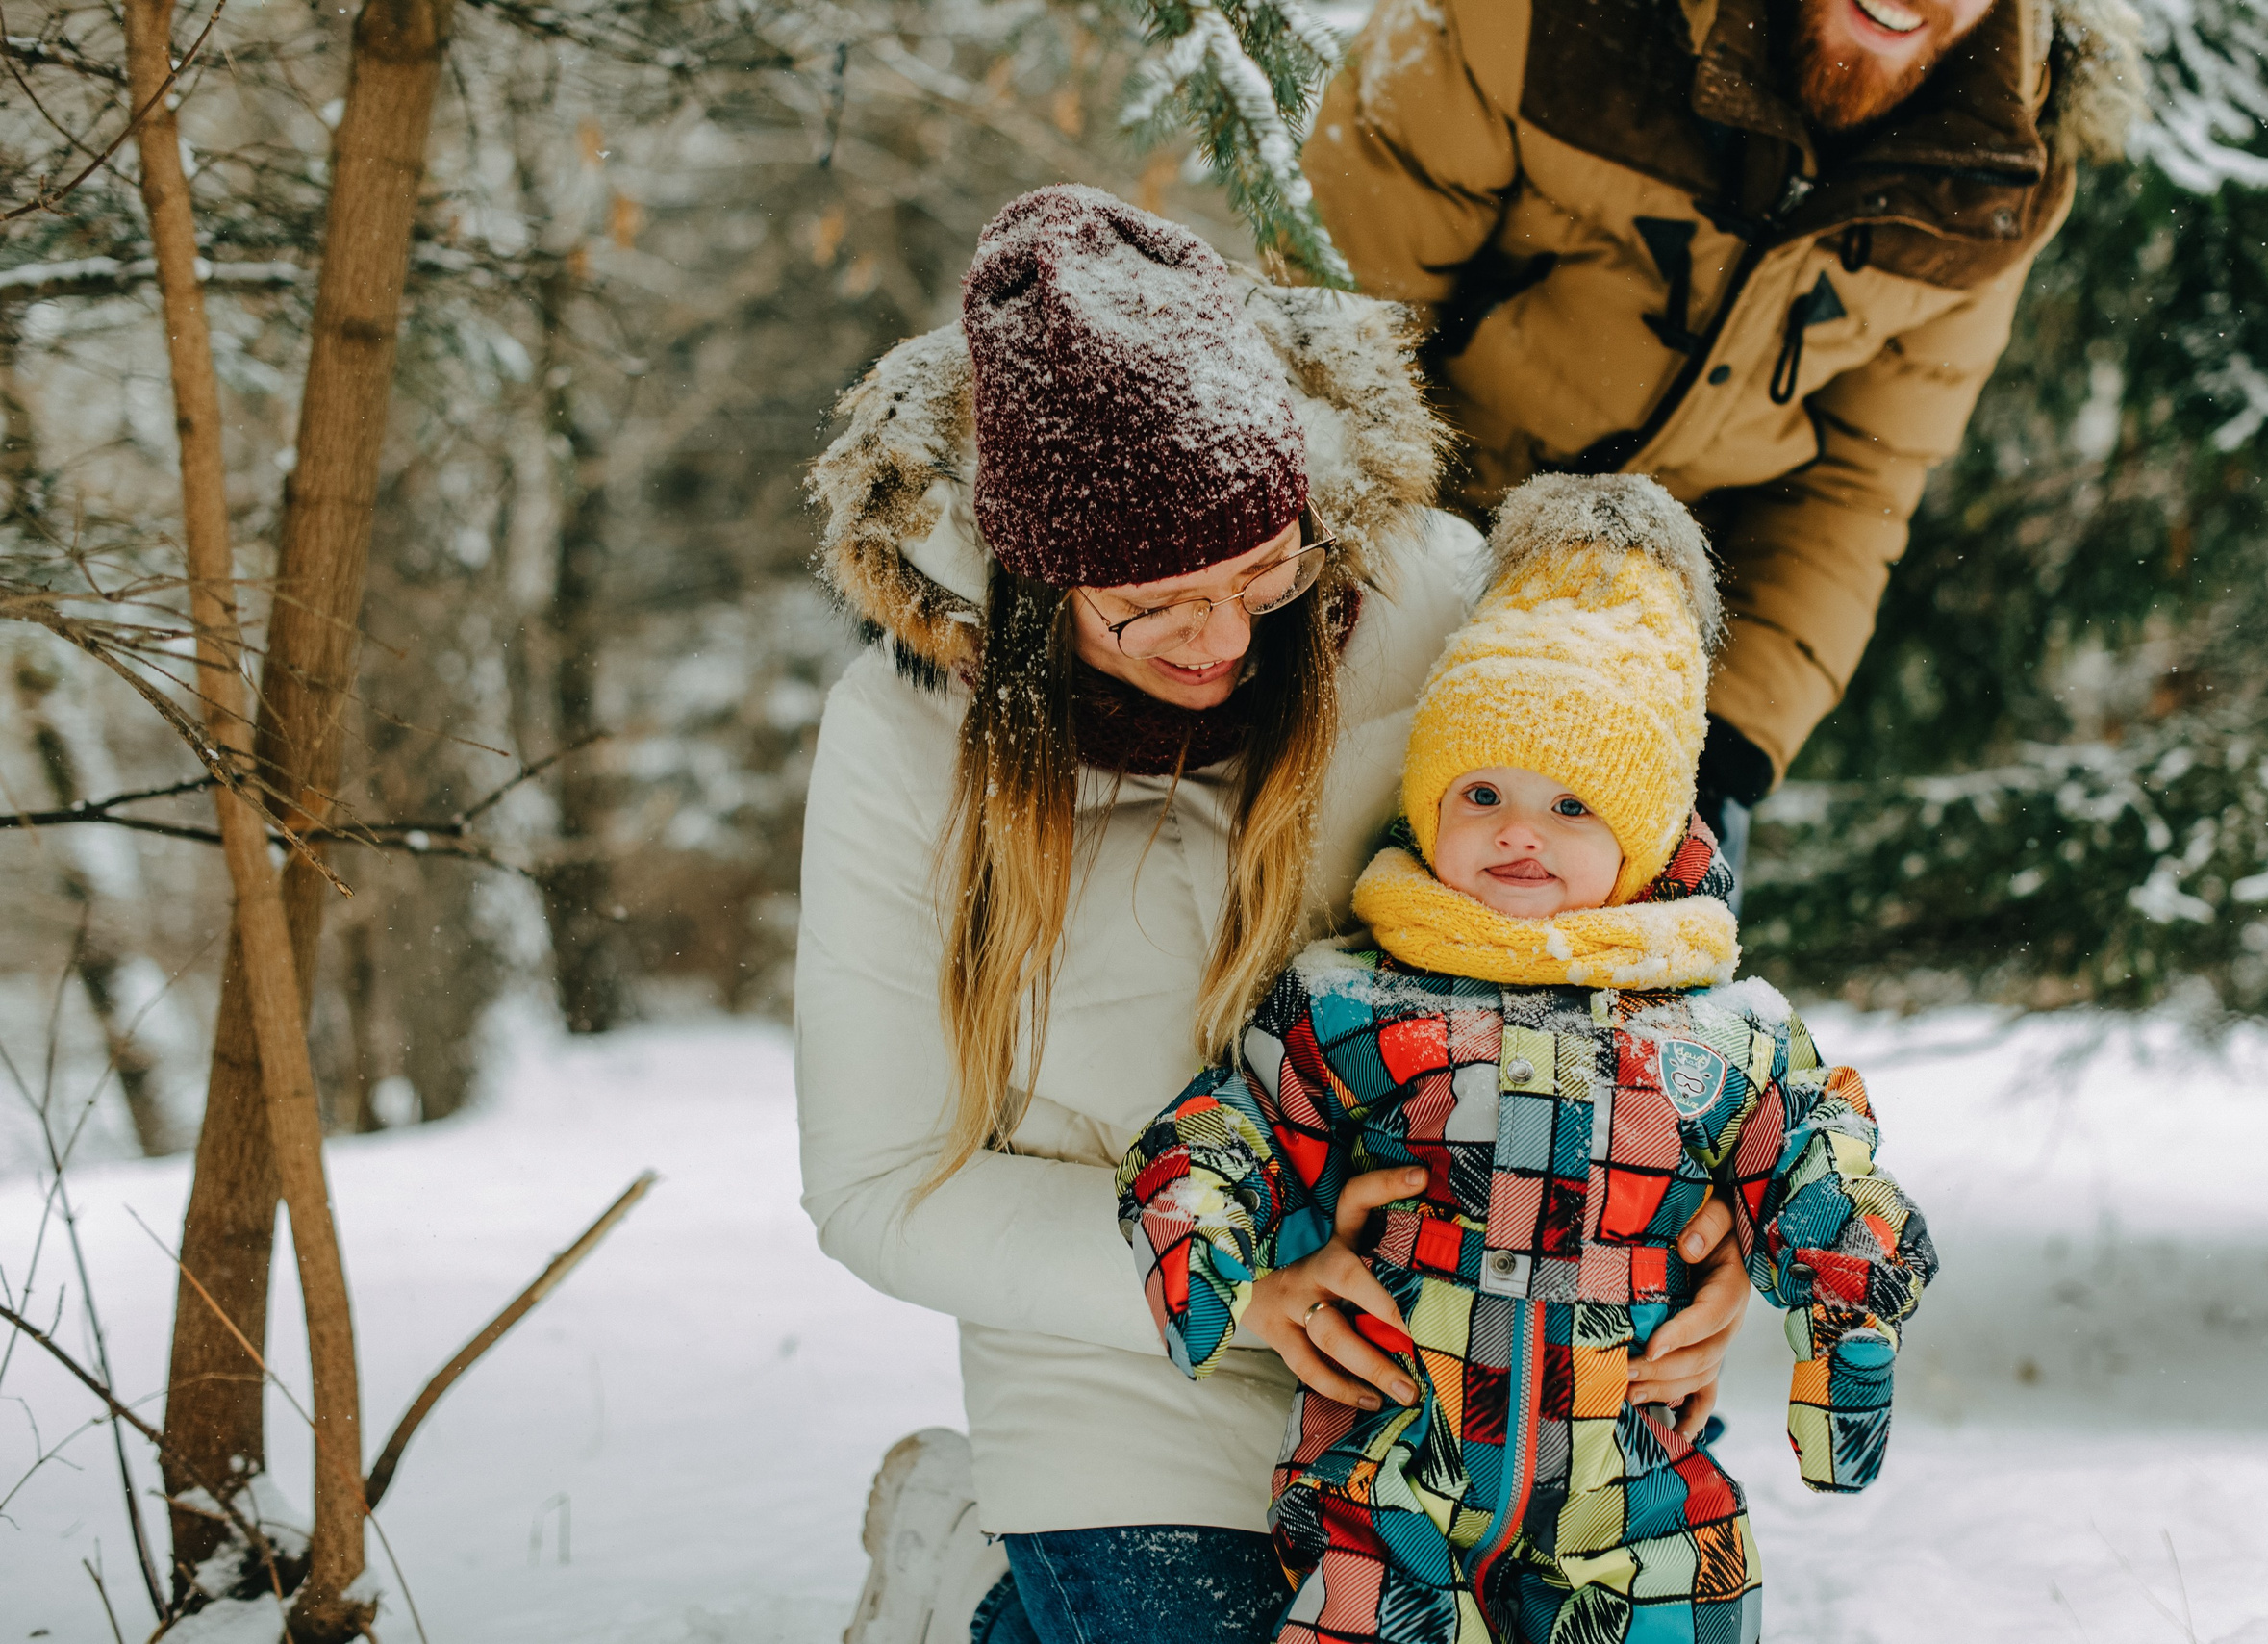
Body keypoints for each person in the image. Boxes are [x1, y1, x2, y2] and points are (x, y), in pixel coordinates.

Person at [796, 188, 1754, 1644]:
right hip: (1133, 1339)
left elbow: (1637, 905)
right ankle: (977, 1583)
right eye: (1155, 605)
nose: (1226, 639)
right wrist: (1239, 1290)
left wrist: (1720, 1215)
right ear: (1041, 583)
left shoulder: (1422, 595)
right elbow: (881, 1188)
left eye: (1262, 574)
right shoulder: (906, 734)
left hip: (1473, 1312)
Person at [1116, 472, 1937, 1642]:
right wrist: (1198, 1226)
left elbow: (1822, 1161)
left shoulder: (1721, 1030)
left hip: (1633, 1478)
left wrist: (1845, 1312)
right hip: (1395, 1469)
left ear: (1647, 831)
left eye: (1571, 806)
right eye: (1484, 790)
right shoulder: (1355, 999)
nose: (1516, 830)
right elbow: (1230, 1120)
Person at [1300, 0, 2143, 858]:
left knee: (1645, 957)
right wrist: (1333, 602)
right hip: (1408, 547)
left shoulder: (2001, 166)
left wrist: (1727, 735)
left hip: (1653, 634)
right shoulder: (1531, 20)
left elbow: (1859, 479)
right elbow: (1335, 324)